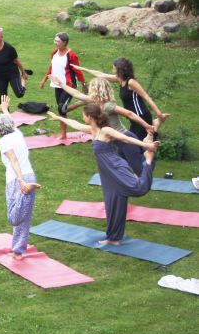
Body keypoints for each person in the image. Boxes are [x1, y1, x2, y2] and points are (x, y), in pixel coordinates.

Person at [48, 104, 158, 245]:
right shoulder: (92, 130)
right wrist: (58, 117)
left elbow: (125, 139)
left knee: (137, 188)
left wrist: (146, 146)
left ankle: (147, 161)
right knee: (113, 203)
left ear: (89, 116)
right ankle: (113, 238)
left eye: (84, 115)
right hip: (107, 173)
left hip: (114, 167)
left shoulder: (105, 130)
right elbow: (75, 124)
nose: (82, 117)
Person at [49, 75, 154, 176]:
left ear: (96, 90)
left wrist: (147, 126)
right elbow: (77, 94)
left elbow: (129, 114)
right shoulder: (94, 102)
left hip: (126, 140)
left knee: (140, 171)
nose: (89, 91)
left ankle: (148, 156)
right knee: (118, 169)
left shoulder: (108, 106)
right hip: (116, 141)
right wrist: (60, 84)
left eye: (91, 88)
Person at [73, 57, 170, 140]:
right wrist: (83, 69)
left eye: (114, 67)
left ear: (119, 69)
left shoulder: (131, 82)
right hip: (133, 117)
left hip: (141, 115)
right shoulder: (119, 79)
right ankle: (155, 125)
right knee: (137, 140)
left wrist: (159, 114)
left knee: (142, 142)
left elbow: (146, 97)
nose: (112, 68)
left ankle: (156, 125)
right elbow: (101, 75)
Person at [0, 96, 41, 260]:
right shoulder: (17, 134)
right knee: (24, 218)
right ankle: (18, 251)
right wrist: (5, 110)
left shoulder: (4, 141)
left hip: (17, 178)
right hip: (29, 174)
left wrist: (20, 181)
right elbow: (10, 123)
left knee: (14, 217)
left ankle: (27, 190)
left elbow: (13, 160)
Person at [38, 32, 85, 140]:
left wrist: (83, 84)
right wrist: (44, 79)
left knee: (61, 109)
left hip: (69, 85)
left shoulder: (71, 55)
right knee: (61, 110)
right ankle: (63, 134)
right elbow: (52, 67)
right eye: (55, 40)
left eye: (58, 41)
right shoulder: (54, 53)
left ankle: (81, 102)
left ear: (65, 42)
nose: (55, 43)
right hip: (57, 85)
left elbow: (78, 70)